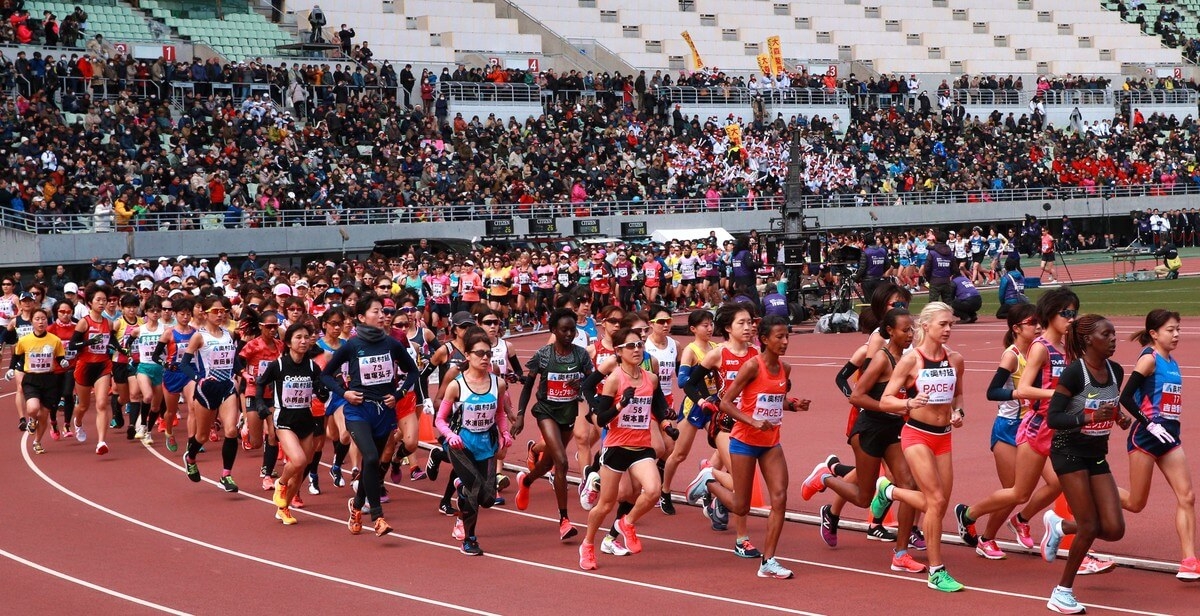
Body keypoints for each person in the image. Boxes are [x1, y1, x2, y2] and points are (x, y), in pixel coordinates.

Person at [802, 308, 925, 573]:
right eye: (905, 330)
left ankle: (901, 553)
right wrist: (890, 405)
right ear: (890, 331)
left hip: (892, 429)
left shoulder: (907, 359)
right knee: (862, 498)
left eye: (912, 329)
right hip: (868, 429)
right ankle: (825, 477)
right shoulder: (881, 359)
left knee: (910, 487)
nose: (910, 334)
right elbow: (856, 397)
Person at [686, 315, 808, 578]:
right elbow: (727, 403)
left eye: (787, 336)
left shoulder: (785, 369)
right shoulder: (752, 367)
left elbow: (776, 400)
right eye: (779, 337)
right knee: (741, 507)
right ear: (764, 339)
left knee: (780, 497)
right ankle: (708, 478)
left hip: (771, 442)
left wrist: (792, 405)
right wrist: (752, 421)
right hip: (743, 441)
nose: (785, 341)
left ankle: (769, 560)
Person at [872, 302, 967, 592]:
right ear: (925, 326)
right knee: (935, 500)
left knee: (938, 504)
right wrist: (907, 403)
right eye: (943, 324)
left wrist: (958, 412)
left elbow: (959, 394)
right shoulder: (912, 360)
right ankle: (937, 571)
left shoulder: (956, 359)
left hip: (944, 436)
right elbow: (885, 400)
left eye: (951, 324)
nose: (948, 329)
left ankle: (889, 490)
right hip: (916, 435)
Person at [1041, 315, 1127, 614]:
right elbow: (1054, 417)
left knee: (1114, 528)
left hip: (1096, 453)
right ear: (1090, 339)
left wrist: (1118, 416)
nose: (1114, 338)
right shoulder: (1075, 374)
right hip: (1069, 452)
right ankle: (1061, 592)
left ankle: (1060, 526)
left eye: (1115, 333)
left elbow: (1109, 403)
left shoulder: (1116, 371)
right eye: (1108, 334)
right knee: (1090, 525)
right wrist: (1090, 418)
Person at [321, 293, 420, 538]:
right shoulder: (352, 346)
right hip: (358, 410)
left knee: (371, 463)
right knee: (372, 457)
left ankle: (356, 506)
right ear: (362, 317)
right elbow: (324, 375)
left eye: (383, 312)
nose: (381, 316)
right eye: (375, 311)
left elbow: (413, 372)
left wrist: (397, 394)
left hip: (384, 411)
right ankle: (377, 517)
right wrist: (345, 394)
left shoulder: (392, 344)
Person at [579, 324, 669, 570]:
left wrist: (667, 423)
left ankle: (626, 523)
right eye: (631, 346)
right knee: (606, 505)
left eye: (640, 344)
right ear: (619, 351)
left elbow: (659, 409)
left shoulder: (650, 378)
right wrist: (620, 406)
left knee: (653, 490)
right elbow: (600, 419)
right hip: (617, 447)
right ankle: (587, 544)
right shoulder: (614, 380)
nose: (637, 349)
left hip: (641, 446)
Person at [1117, 309, 1197, 580]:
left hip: (1170, 438)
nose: (1176, 335)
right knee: (1136, 502)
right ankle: (1096, 489)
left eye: (1178, 329)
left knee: (1187, 496)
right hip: (1146, 437)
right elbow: (1125, 398)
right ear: (1153, 333)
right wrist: (1149, 423)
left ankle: (1188, 560)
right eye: (1170, 330)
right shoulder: (1149, 360)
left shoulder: (1171, 361)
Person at [515, 308, 593, 541]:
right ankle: (564, 520)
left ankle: (526, 480)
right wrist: (520, 415)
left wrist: (582, 387)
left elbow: (591, 381)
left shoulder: (581, 356)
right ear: (554, 331)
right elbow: (528, 386)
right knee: (561, 461)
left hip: (568, 413)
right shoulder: (543, 355)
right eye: (564, 330)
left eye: (572, 330)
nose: (569, 334)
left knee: (548, 462)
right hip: (546, 411)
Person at [973, 303, 1041, 559]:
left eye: (1039, 322)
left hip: (1033, 427)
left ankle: (1021, 519)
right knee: (1013, 491)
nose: (1038, 327)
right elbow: (992, 392)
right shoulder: (1011, 356)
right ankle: (986, 538)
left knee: (1057, 482)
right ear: (1016, 328)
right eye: (1032, 323)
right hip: (1008, 429)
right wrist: (1017, 393)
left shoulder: (1039, 351)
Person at [437, 326, 511, 555]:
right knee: (473, 491)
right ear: (467, 355)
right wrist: (450, 436)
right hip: (463, 444)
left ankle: (459, 483)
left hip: (486, 444)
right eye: (479, 353)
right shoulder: (456, 386)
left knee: (488, 499)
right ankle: (469, 539)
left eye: (488, 353)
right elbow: (440, 420)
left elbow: (499, 414)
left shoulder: (497, 384)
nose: (485, 358)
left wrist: (505, 434)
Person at [257, 322, 327, 526]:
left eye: (306, 337)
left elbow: (320, 389)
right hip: (285, 420)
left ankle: (283, 508)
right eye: (298, 337)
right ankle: (280, 483)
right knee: (297, 460)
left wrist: (323, 392)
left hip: (306, 419)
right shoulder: (278, 365)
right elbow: (261, 383)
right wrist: (261, 404)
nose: (304, 341)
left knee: (302, 467)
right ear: (288, 342)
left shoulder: (313, 366)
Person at [180, 296, 242, 493]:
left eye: (223, 310)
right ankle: (190, 457)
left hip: (226, 387)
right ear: (205, 314)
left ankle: (226, 475)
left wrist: (242, 373)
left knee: (231, 431)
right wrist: (199, 379)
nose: (221, 314)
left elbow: (234, 361)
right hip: (206, 389)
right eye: (216, 311)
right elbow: (184, 364)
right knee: (202, 436)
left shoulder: (229, 334)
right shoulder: (199, 337)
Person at [659, 309, 718, 515]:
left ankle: (708, 483)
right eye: (705, 325)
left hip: (714, 404)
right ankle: (665, 490)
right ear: (693, 329)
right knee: (679, 454)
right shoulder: (691, 351)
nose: (709, 328)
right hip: (693, 405)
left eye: (711, 324)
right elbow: (683, 381)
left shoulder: (716, 348)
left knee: (726, 445)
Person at [9, 308, 68, 454]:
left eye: (43, 319)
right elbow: (16, 357)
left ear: (47, 321)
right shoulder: (24, 341)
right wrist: (11, 369)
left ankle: (37, 442)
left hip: (49, 379)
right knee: (33, 408)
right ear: (31, 322)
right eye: (37, 319)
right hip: (31, 378)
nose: (41, 322)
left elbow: (60, 357)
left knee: (44, 415)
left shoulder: (55, 340)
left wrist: (64, 362)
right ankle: (31, 420)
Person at [68, 284, 115, 456]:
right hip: (85, 366)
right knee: (83, 405)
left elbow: (111, 342)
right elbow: (73, 345)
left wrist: (121, 349)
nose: (102, 303)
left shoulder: (108, 323)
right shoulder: (83, 323)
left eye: (104, 300)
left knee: (102, 403)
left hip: (103, 365)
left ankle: (101, 441)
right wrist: (88, 343)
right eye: (98, 300)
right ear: (90, 302)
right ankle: (78, 421)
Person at [996, 253, 1028, 319]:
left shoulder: (1006, 277)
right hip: (1020, 302)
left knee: (999, 314)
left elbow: (1001, 294)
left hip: (1010, 302)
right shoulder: (1021, 277)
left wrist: (1003, 304)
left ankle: (1014, 315)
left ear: (1006, 267)